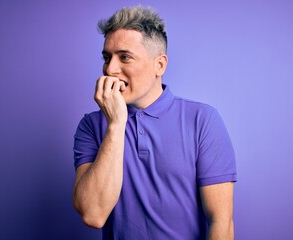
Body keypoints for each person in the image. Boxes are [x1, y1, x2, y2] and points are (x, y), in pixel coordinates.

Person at [73, 5, 237, 240]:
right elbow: (93, 215)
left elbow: (221, 223)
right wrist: (116, 124)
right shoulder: (91, 126)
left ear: (159, 65)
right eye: (107, 57)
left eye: (125, 57)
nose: (110, 69)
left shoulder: (203, 121)